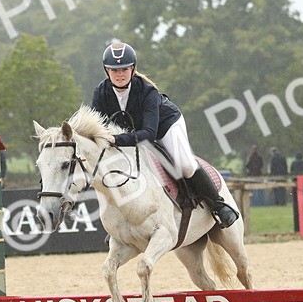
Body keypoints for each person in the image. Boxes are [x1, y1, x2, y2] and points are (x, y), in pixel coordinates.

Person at [89, 41, 239, 228]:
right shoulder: (100, 93)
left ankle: (219, 205)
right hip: (132, 134)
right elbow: (97, 129)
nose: (120, 74)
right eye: (114, 70)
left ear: (133, 69)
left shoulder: (147, 90)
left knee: (184, 164)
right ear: (106, 71)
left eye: (124, 69)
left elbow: (149, 135)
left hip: (165, 126)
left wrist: (115, 139)